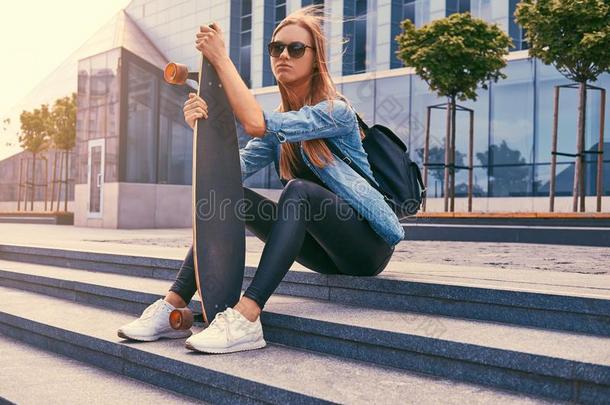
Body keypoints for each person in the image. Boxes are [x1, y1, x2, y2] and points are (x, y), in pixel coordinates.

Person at [117, 5, 404, 354]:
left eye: (295, 48)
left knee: (298, 191)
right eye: (276, 48)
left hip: (367, 247)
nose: (283, 55)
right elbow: (225, 173)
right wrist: (201, 130)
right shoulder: (279, 123)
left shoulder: (336, 112)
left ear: (316, 60)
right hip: (325, 254)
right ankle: (174, 303)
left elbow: (255, 122)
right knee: (229, 195)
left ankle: (248, 316)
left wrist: (222, 60)